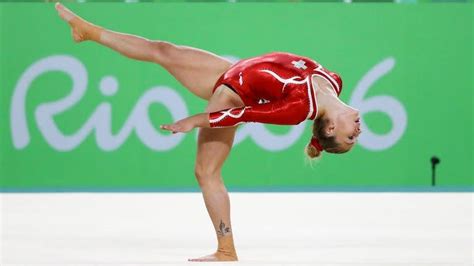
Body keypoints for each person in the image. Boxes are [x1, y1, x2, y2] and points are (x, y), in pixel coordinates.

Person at [55, 3, 361, 262]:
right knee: (162, 50)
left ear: (330, 127)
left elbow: (246, 113)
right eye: (354, 137)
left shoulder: (299, 109)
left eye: (350, 138)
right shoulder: (334, 82)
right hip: (232, 72)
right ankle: (88, 31)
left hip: (232, 94)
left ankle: (225, 248)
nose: (357, 132)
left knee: (206, 172)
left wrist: (197, 120)